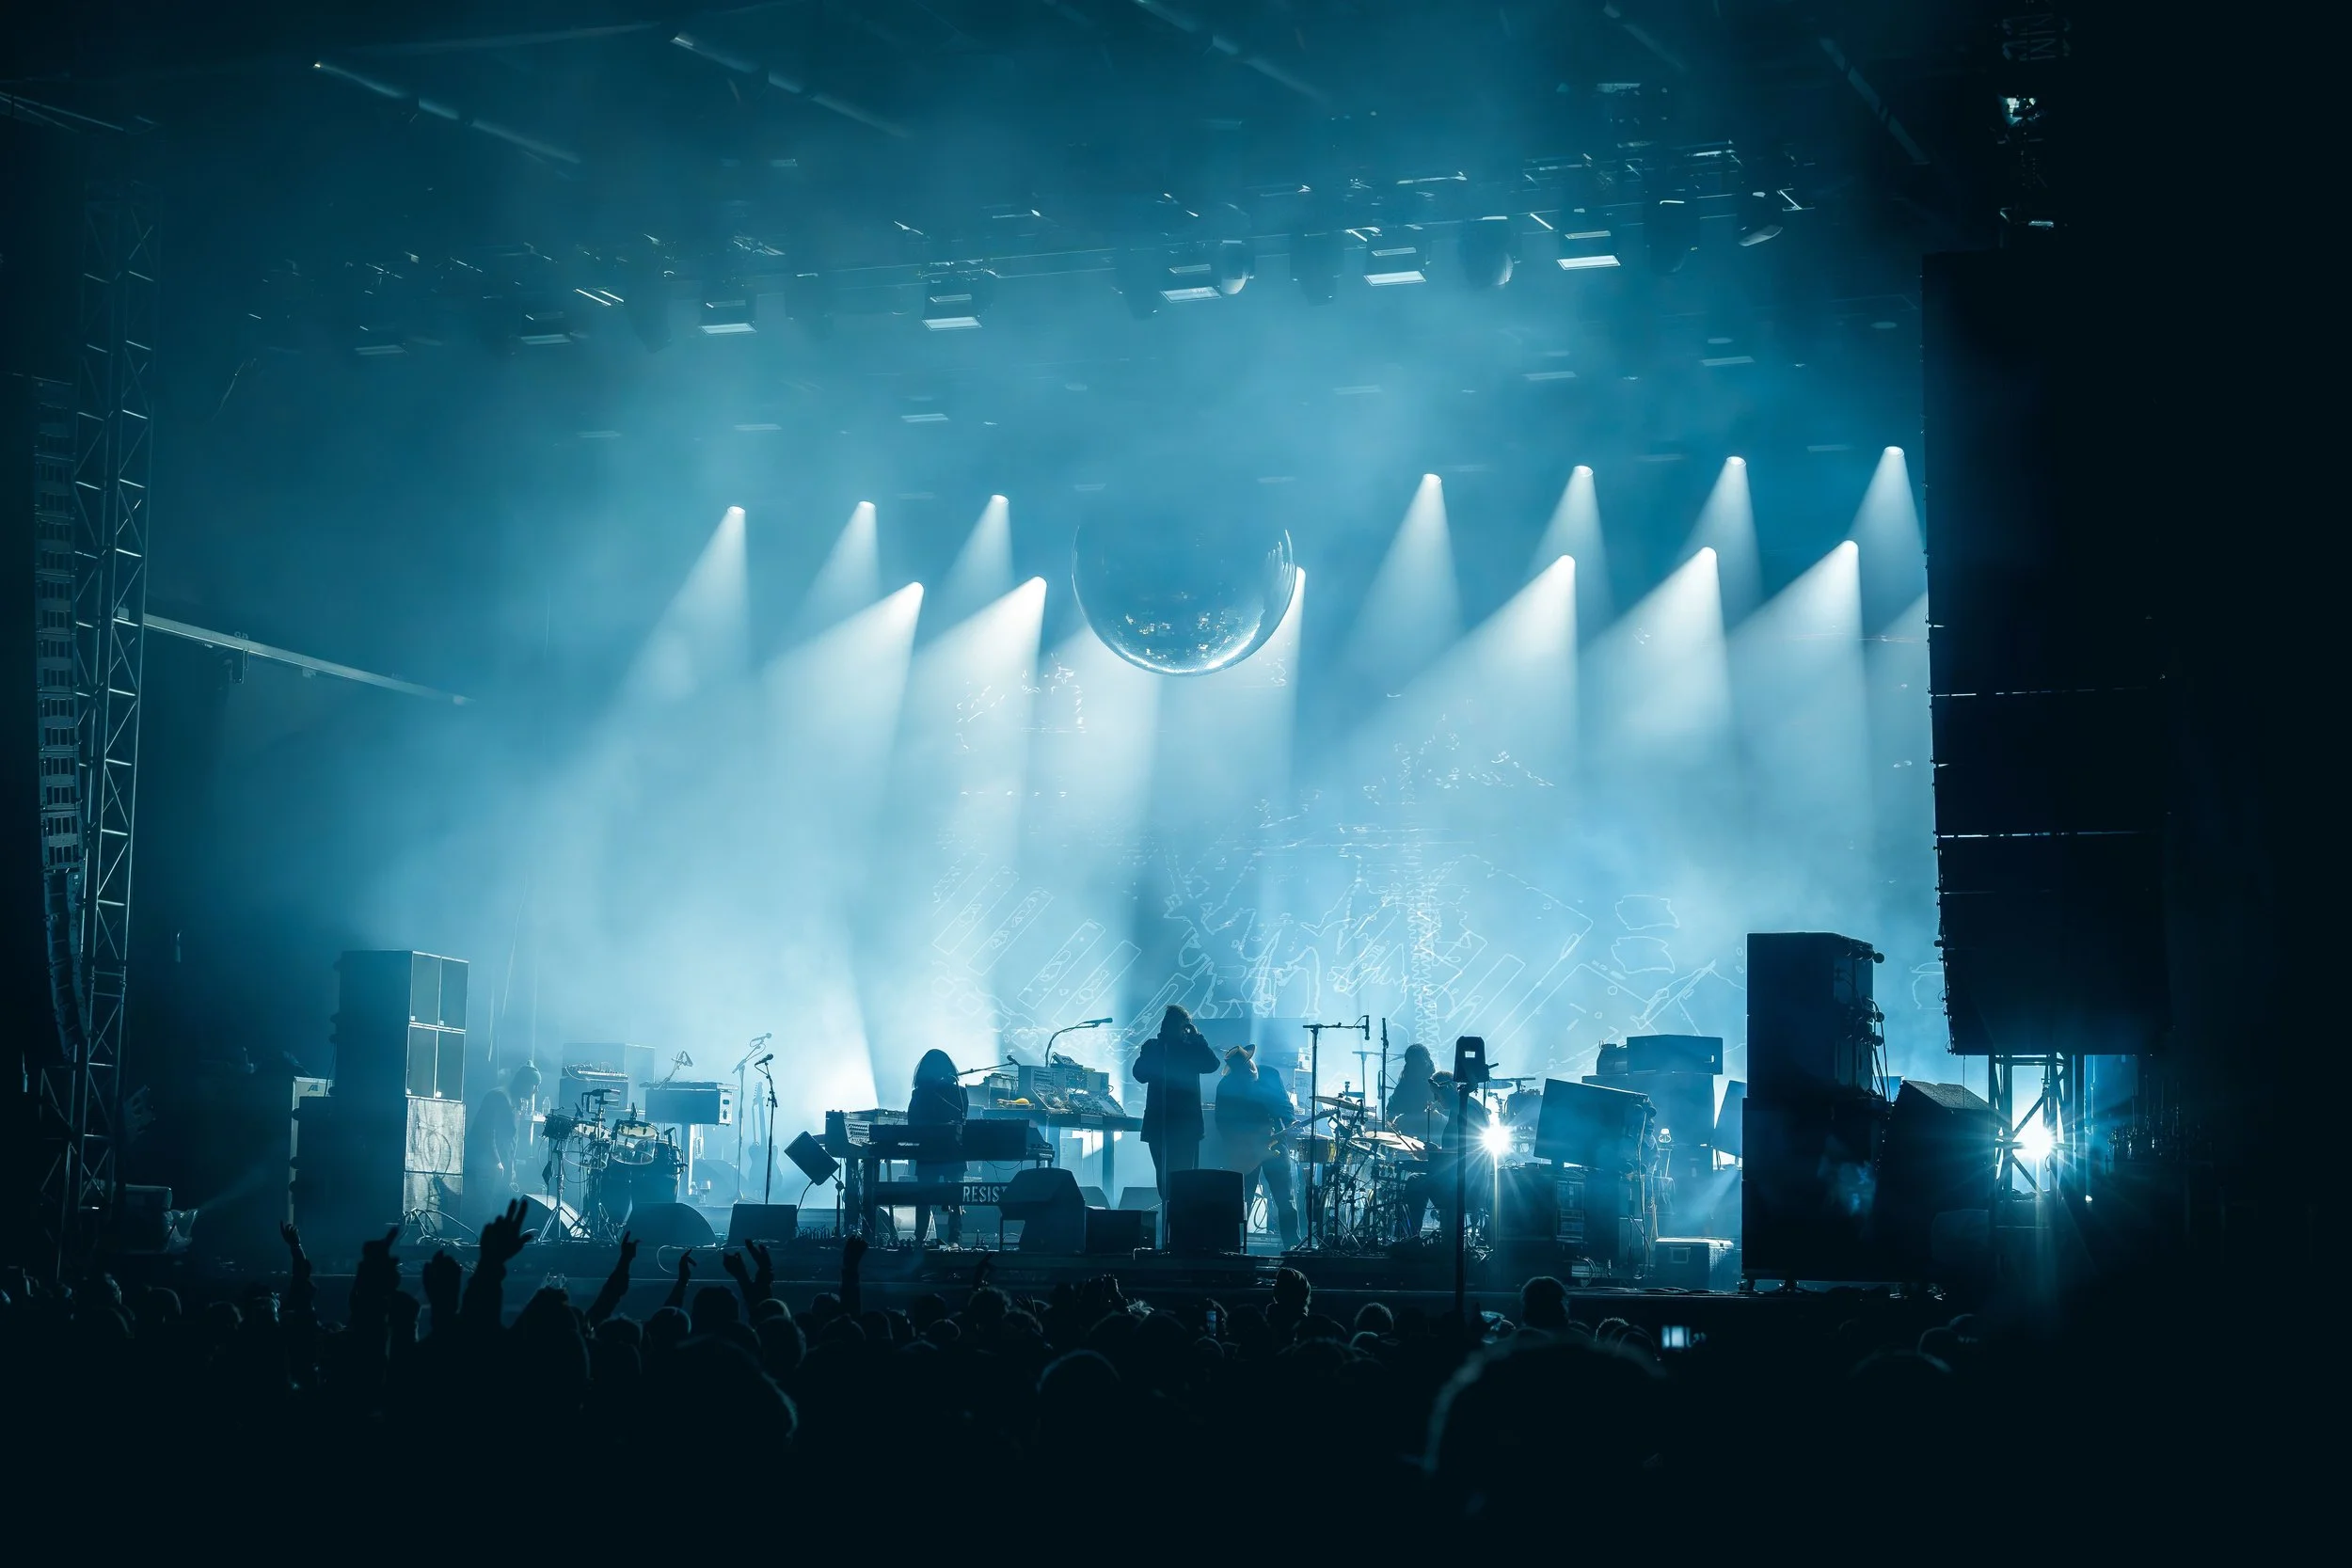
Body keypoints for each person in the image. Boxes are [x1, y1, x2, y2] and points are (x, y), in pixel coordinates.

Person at [1212, 1044, 1300, 1249]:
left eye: (1248, 1065)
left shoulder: (1269, 1074)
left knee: (1285, 1198)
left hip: (1275, 1143)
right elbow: (1222, 1122)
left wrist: (1290, 1121)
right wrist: (1241, 1145)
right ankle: (1234, 1247)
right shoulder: (1226, 1086)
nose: (1249, 1070)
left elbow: (1283, 1104)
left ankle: (1293, 1246)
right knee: (1243, 1200)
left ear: (1251, 1061)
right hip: (1245, 1151)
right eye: (1242, 1069)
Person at [1132, 1005, 1218, 1203]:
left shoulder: (1191, 1050)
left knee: (1181, 1182)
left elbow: (1212, 1065)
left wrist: (1198, 1041)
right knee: (1168, 1181)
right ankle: (1171, 1222)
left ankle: (1178, 1224)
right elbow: (1140, 1074)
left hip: (1182, 1127)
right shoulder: (1154, 1047)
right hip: (1163, 1126)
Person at [463, 1061, 540, 1227]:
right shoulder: (499, 1097)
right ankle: (474, 1246)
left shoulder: (513, 1101)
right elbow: (487, 1131)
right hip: (486, 1163)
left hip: (499, 1163)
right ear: (525, 1083)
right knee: (482, 1208)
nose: (536, 1091)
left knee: (497, 1208)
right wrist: (495, 1160)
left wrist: (509, 1166)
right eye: (534, 1085)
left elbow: (508, 1139)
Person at [908, 1049, 967, 1244]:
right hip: (953, 1153)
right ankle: (954, 1240)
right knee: (955, 1198)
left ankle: (919, 1239)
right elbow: (962, 1121)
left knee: (923, 1198)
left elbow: (912, 1124)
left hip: (928, 1153)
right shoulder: (959, 1092)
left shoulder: (919, 1094)